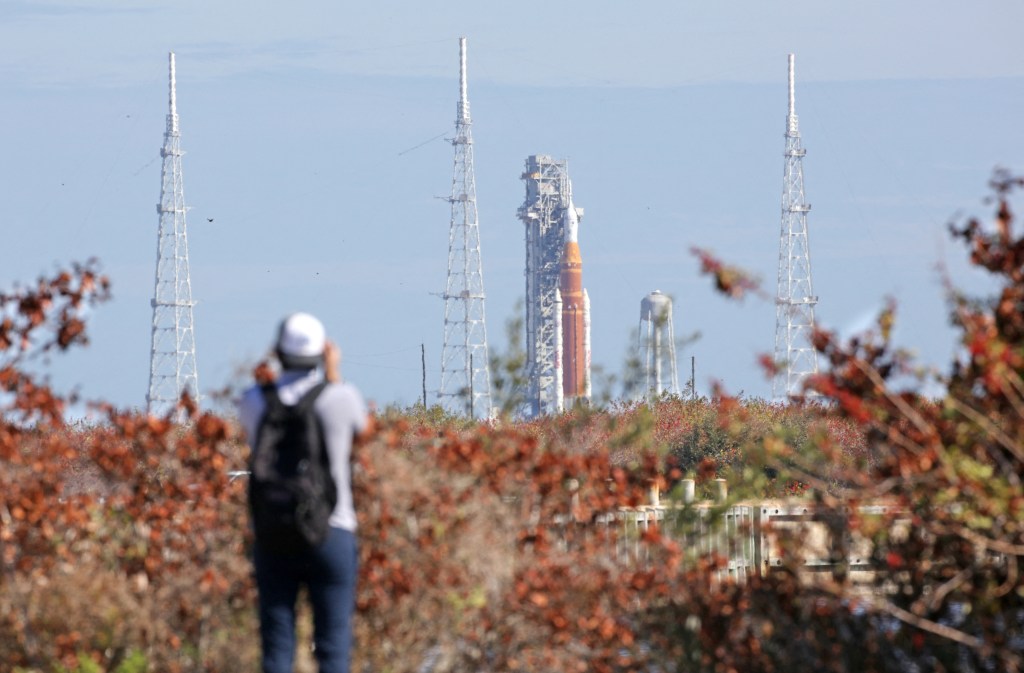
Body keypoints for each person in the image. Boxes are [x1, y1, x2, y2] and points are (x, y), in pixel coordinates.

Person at [238, 312, 374, 673]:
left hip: (272, 532)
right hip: (332, 530)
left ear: (277, 352)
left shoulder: (254, 401)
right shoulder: (341, 397)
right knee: (332, 649)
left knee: (277, 648)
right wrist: (333, 374)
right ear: (322, 352)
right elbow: (362, 431)